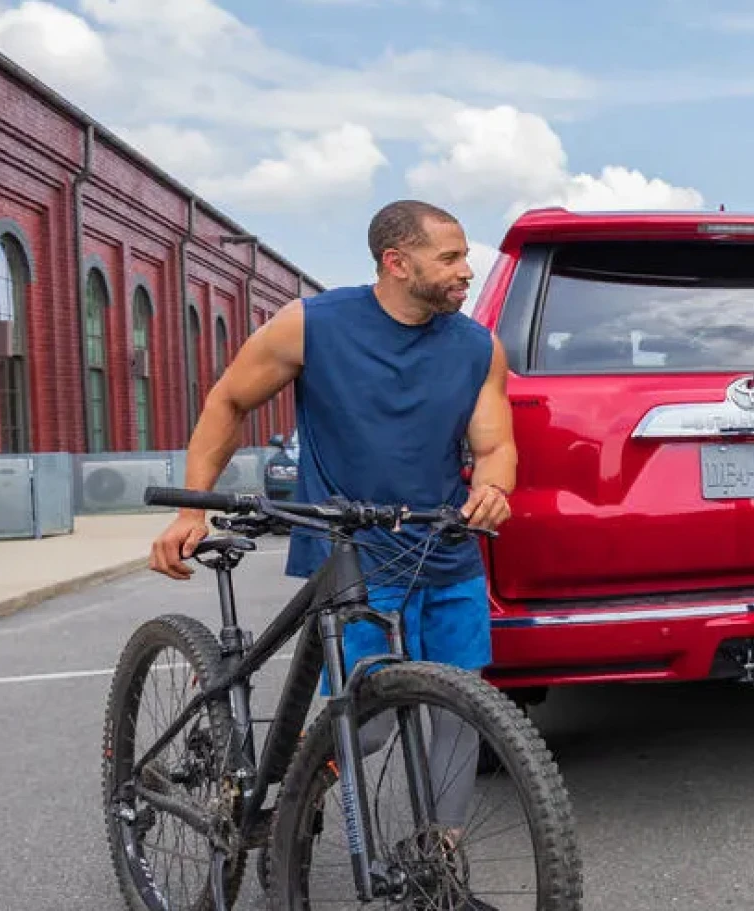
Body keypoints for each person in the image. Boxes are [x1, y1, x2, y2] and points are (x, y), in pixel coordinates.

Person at [149, 199, 515, 892]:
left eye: (467, 256)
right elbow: (228, 400)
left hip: (445, 545)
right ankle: (295, 814)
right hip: (351, 553)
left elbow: (495, 445)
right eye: (451, 258)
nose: (468, 270)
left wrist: (493, 487)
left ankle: (437, 855)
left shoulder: (477, 346)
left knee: (462, 712)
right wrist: (193, 506)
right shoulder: (313, 325)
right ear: (396, 262)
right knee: (368, 726)